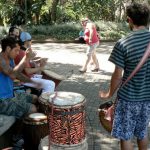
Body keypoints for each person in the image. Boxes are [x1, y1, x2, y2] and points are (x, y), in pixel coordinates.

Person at [99, 3, 150, 150]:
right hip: (147, 99)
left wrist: (109, 94)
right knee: (142, 132)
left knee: (126, 135)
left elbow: (117, 75)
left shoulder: (123, 43)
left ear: (129, 20)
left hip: (128, 99)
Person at [0, 37, 39, 119]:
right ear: (8, 49)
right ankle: (21, 129)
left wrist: (33, 82)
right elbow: (13, 75)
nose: (18, 53)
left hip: (11, 95)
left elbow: (18, 74)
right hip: (2, 101)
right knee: (32, 109)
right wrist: (26, 58)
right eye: (16, 50)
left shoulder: (10, 59)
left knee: (35, 98)